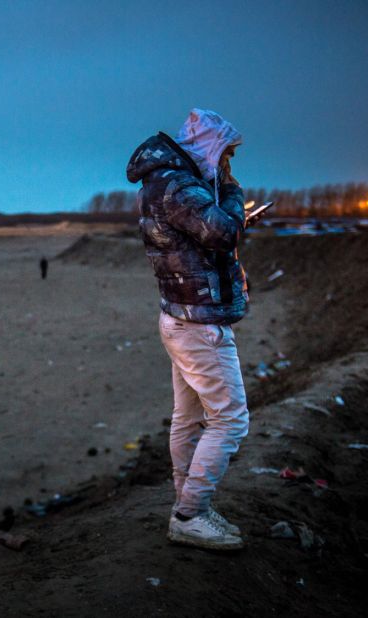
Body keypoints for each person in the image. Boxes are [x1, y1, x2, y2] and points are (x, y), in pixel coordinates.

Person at [126, 108, 260, 551]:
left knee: (189, 417)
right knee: (231, 420)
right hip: (198, 323)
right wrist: (235, 193)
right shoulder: (179, 185)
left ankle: (187, 505)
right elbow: (221, 233)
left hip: (181, 316)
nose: (228, 164)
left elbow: (198, 240)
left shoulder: (163, 182)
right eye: (227, 154)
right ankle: (190, 513)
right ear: (210, 147)